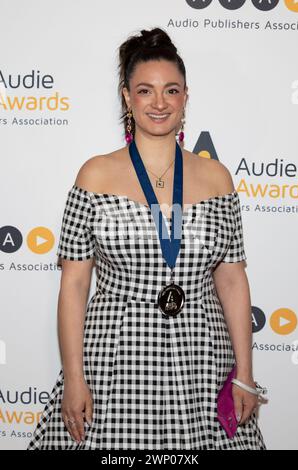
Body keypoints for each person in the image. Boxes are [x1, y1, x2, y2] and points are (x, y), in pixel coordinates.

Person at [27, 27, 267, 450]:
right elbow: (74, 285)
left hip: (201, 356)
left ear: (185, 97)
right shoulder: (94, 175)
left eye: (171, 90)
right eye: (145, 90)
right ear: (126, 97)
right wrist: (75, 378)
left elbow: (231, 280)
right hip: (115, 356)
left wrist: (244, 375)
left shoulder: (217, 178)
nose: (159, 103)